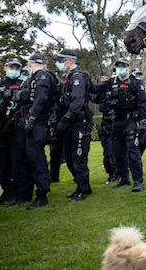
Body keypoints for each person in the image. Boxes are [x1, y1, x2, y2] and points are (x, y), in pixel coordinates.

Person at [92, 58, 146, 192]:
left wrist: (143, 121)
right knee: (118, 152)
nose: (120, 69)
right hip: (116, 121)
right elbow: (95, 89)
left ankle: (138, 181)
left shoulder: (136, 83)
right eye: (118, 66)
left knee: (132, 151)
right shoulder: (111, 82)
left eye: (123, 66)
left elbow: (143, 102)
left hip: (131, 120)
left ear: (128, 68)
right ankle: (124, 178)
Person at [14, 53, 56, 209]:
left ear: (30, 64)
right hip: (28, 119)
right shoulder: (33, 78)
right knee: (25, 158)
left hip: (37, 122)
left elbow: (41, 98)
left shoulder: (43, 76)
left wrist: (32, 118)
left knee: (36, 157)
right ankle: (25, 194)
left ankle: (42, 194)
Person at [52, 49, 93, 202]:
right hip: (70, 125)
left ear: (69, 61)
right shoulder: (67, 78)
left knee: (78, 158)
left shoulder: (77, 78)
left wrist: (66, 118)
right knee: (69, 158)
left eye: (61, 61)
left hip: (79, 124)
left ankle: (83, 189)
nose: (59, 64)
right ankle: (80, 186)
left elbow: (78, 102)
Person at [0, 58, 24, 207]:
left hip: (15, 129)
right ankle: (6, 191)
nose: (14, 70)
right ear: (5, 68)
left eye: (17, 67)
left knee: (16, 162)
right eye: (11, 67)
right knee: (3, 164)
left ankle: (16, 193)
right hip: (0, 129)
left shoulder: (23, 84)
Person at [95, 68, 117, 184]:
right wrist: (102, 85)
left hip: (117, 124)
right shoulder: (105, 89)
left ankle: (117, 173)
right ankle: (111, 173)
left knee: (115, 151)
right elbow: (96, 97)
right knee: (107, 152)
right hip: (106, 124)